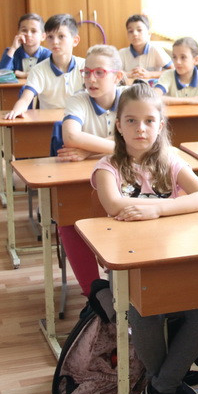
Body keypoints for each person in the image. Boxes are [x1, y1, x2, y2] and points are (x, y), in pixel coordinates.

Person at [93, 82, 198, 394]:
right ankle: (167, 389)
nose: (141, 128)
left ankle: (161, 388)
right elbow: (114, 205)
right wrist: (172, 206)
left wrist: (158, 209)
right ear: (118, 125)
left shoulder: (170, 162)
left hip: (172, 263)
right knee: (144, 314)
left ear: (160, 125)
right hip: (130, 268)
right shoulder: (108, 167)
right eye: (131, 121)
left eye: (149, 121)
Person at [55, 45, 124, 297]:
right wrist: (119, 147)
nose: (91, 79)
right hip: (88, 180)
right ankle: (94, 294)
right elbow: (71, 136)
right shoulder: (79, 99)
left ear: (117, 76)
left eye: (99, 72)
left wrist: (90, 151)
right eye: (86, 72)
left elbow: (145, 144)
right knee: (69, 217)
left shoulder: (132, 97)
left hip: (130, 179)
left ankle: (126, 284)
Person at [4, 13, 85, 119]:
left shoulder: (85, 66)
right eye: (50, 37)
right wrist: (16, 110)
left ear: (75, 40)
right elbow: (25, 99)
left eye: (61, 36)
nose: (55, 42)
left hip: (80, 122)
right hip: (50, 124)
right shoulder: (38, 70)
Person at [118, 14, 173, 83]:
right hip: (130, 88)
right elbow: (112, 73)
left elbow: (173, 70)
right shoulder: (122, 53)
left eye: (139, 30)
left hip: (152, 88)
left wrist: (150, 74)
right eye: (130, 31)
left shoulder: (155, 49)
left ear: (149, 33)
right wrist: (128, 74)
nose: (135, 34)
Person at [0, 13, 51, 79]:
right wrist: (13, 48)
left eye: (33, 31)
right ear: (18, 33)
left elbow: (50, 76)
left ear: (43, 36)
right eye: (24, 30)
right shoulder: (11, 52)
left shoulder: (48, 54)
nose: (28, 34)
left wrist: (23, 74)